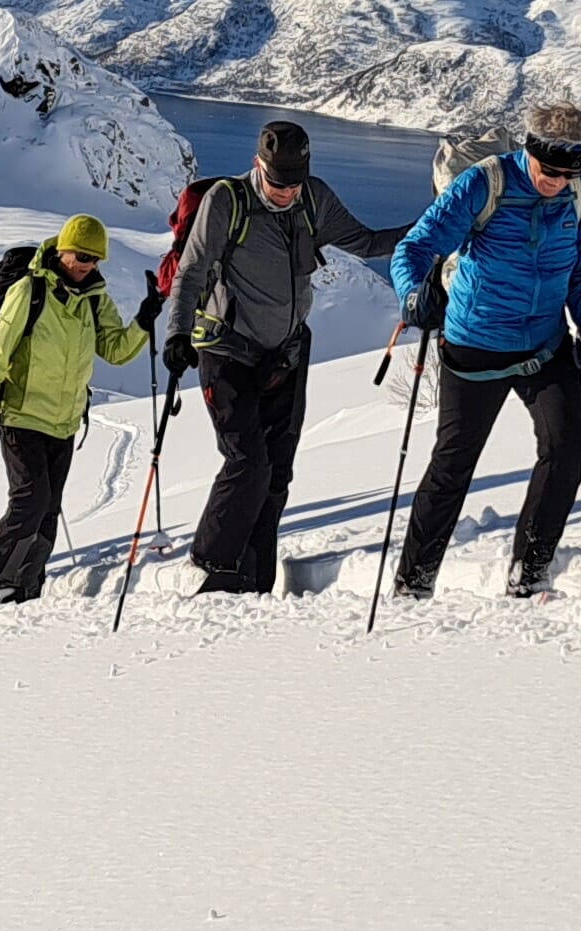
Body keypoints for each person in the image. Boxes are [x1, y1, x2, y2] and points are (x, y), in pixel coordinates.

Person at [381, 101, 581, 599]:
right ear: (530, 151)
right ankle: (413, 580)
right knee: (453, 464)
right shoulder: (486, 183)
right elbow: (415, 248)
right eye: (548, 169)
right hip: (476, 344)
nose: (556, 180)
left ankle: (530, 571)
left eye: (569, 170)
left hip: (544, 344)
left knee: (567, 448)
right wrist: (412, 294)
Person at [161, 118, 403, 593]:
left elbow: (369, 243)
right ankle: (210, 566)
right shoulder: (227, 202)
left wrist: (433, 230)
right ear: (258, 165)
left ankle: (255, 578)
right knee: (246, 461)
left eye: (293, 183)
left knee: (276, 471)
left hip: (286, 355)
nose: (285, 193)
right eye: (276, 183)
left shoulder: (314, 199)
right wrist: (177, 334)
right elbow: (191, 271)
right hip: (227, 351)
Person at [0, 214, 143, 604]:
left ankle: (28, 587)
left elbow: (115, 349)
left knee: (48, 509)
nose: (88, 265)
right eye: (82, 256)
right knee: (29, 501)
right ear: (62, 249)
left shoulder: (94, 299)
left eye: (95, 259)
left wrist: (144, 321)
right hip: (21, 415)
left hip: (63, 423)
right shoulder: (29, 291)